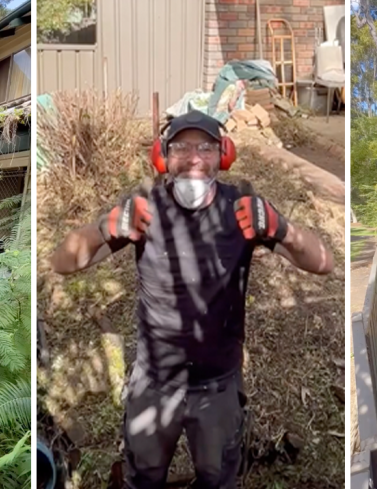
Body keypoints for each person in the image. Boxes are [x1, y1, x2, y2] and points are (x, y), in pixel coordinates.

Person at [50, 111, 333, 489]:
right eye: (181, 147)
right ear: (163, 156)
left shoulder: (244, 210)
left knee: (217, 481)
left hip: (218, 387)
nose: (194, 157)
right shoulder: (144, 211)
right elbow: (62, 262)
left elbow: (323, 263)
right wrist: (105, 227)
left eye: (206, 147)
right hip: (153, 385)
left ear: (224, 155)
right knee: (144, 479)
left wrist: (284, 229)